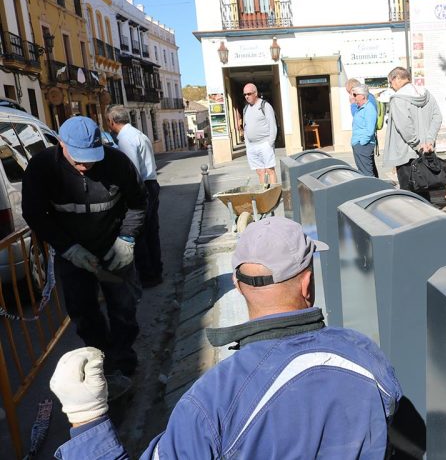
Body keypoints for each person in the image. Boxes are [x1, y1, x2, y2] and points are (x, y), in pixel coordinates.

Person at [50, 216, 403, 459]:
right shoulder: (364, 356)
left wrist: (88, 419)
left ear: (237, 285)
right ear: (307, 283)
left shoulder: (211, 399)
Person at [22, 116, 146, 381]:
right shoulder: (42, 168)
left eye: (91, 157)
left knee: (123, 308)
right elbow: (34, 213)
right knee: (83, 311)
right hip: (73, 256)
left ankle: (124, 360)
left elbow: (138, 203)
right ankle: (102, 361)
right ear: (60, 144)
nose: (85, 165)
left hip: (113, 250)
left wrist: (127, 239)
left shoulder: (117, 163)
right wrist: (68, 248)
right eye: (78, 158)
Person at [106, 105, 163, 288]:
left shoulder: (125, 140)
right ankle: (156, 271)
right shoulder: (139, 134)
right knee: (151, 232)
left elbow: (132, 171)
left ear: (112, 122)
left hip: (142, 187)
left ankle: (148, 276)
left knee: (140, 234)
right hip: (151, 184)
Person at [383, 66, 442, 199]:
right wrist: (429, 141)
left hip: (407, 155)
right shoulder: (426, 94)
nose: (391, 86)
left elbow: (405, 127)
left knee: (410, 198)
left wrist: (418, 144)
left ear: (397, 78)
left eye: (390, 82)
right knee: (424, 194)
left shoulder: (398, 98)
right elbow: (437, 117)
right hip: (426, 153)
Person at [241, 82, 278, 184]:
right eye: (245, 94)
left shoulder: (265, 106)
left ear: (255, 93)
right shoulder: (246, 109)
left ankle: (274, 196)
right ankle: (264, 195)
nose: (247, 96)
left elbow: (273, 126)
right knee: (260, 172)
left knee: (270, 170)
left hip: (265, 144)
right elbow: (246, 127)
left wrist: (270, 143)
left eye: (249, 94)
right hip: (252, 146)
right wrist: (248, 145)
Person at [350, 83, 379, 177]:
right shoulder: (360, 108)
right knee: (363, 172)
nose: (353, 97)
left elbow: (370, 130)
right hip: (359, 145)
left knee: (367, 174)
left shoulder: (369, 108)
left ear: (362, 96)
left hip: (364, 146)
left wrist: (361, 142)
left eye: (355, 95)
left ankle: (375, 190)